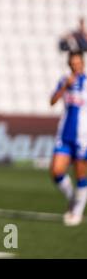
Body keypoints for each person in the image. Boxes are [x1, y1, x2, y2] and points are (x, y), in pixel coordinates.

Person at [50, 51, 87, 226]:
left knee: (81, 174)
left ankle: (77, 212)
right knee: (56, 171)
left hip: (83, 137)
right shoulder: (64, 81)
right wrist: (65, 86)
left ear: (83, 64)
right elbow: (52, 101)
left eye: (78, 63)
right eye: (73, 63)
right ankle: (73, 199)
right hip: (65, 134)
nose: (76, 66)